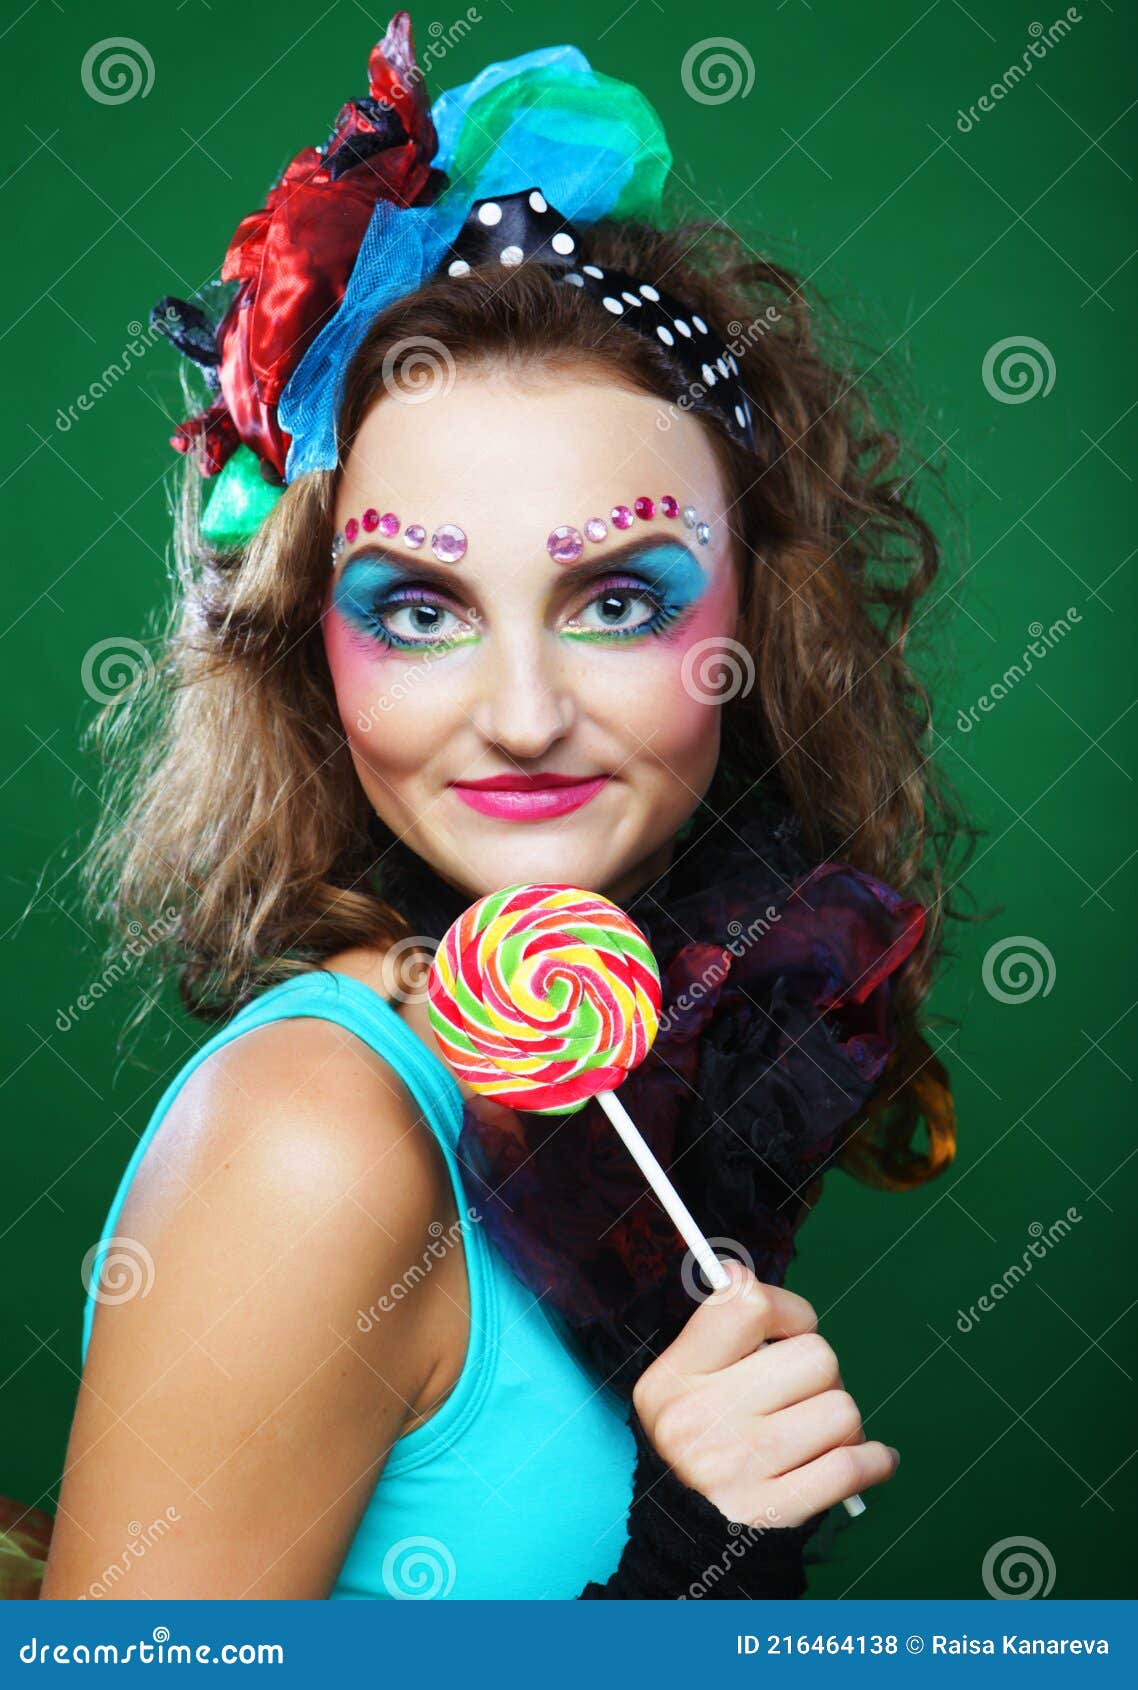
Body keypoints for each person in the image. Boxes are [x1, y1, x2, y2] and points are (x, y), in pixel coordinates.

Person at [37, 13, 961, 1601]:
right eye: (416, 607)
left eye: (616, 599)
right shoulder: (318, 1137)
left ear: (755, 622)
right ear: (306, 649)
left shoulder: (626, 1074)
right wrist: (684, 1551)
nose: (524, 716)